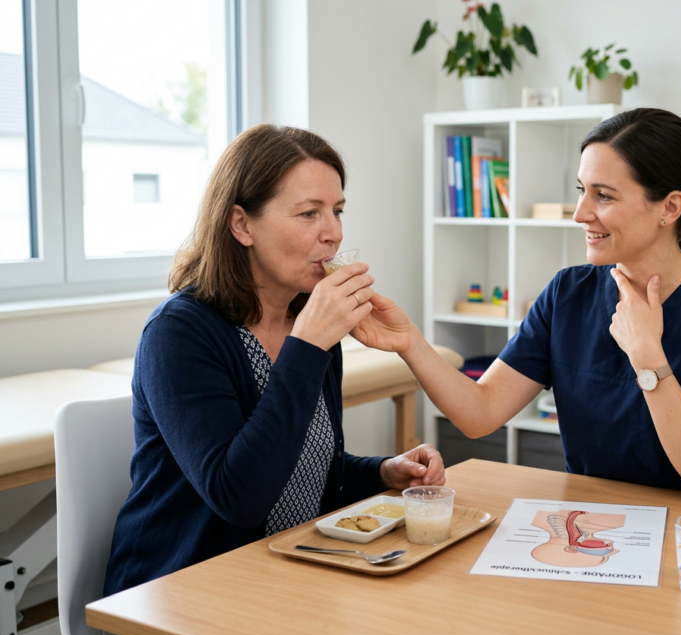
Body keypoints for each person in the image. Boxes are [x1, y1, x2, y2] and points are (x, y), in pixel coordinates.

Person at [353, 108, 681, 506]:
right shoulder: (568, 293)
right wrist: (409, 342)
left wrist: (648, 357)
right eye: (581, 190)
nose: (580, 213)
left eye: (604, 196)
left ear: (669, 207)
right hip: (598, 522)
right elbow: (480, 414)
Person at [104, 125, 444, 595]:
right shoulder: (179, 333)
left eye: (337, 211)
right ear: (242, 224)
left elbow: (300, 465)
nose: (334, 234)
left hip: (286, 574)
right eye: (309, 213)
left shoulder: (307, 319)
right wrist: (305, 350)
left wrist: (382, 471)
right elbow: (239, 496)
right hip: (180, 591)